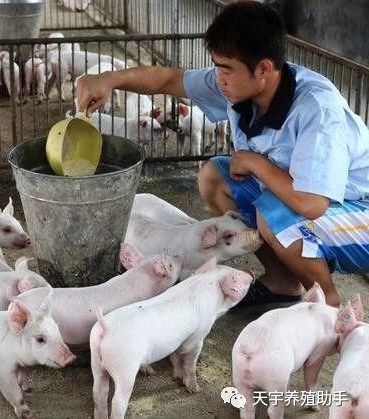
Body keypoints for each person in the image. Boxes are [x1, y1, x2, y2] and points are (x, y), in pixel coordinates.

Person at [76, 1, 369, 308]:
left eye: (226, 69)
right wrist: (109, 79)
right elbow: (168, 80)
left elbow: (312, 203)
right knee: (215, 177)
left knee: (272, 214)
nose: (218, 78)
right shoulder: (240, 85)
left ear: (264, 69)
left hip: (355, 210)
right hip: (308, 200)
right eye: (216, 66)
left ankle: (328, 304)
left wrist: (257, 163)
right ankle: (283, 282)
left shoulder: (316, 110)